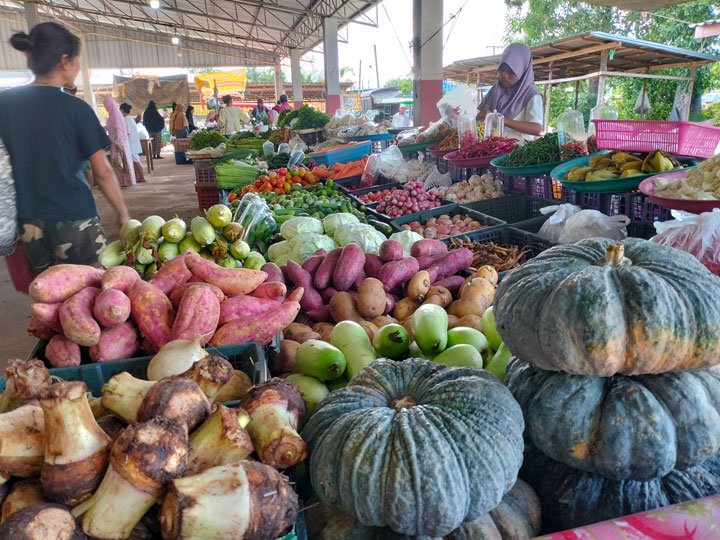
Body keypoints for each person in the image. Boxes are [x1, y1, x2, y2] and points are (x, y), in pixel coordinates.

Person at [0, 22, 129, 270]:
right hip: (74, 218)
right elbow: (102, 172)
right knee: (91, 292)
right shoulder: (75, 108)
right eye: (77, 59)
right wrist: (122, 212)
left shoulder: (5, 104)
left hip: (28, 221)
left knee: (47, 293)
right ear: (64, 60)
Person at [477, 43, 543, 141]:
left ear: (522, 71)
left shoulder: (531, 94)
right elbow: (480, 112)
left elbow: (536, 129)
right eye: (502, 70)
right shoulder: (496, 89)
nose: (505, 75)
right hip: (492, 147)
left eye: (511, 72)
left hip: (518, 151)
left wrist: (500, 118)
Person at [105, 97, 136, 188]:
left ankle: (124, 181)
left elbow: (118, 129)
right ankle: (122, 181)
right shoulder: (112, 115)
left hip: (118, 142)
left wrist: (118, 143)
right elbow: (109, 127)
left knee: (121, 162)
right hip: (116, 142)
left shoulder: (115, 115)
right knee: (119, 162)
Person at [119, 103, 145, 183]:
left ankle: (142, 177)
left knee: (136, 161)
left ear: (122, 110)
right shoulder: (129, 118)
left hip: (131, 144)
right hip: (132, 143)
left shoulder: (127, 119)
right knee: (134, 161)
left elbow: (127, 132)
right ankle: (138, 177)